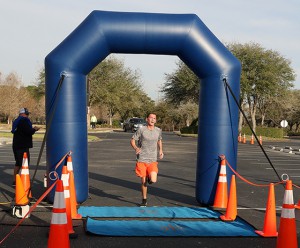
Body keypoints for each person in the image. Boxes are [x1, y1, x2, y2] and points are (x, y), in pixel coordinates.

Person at [130, 113, 164, 207]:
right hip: (142, 158)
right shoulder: (142, 130)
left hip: (152, 158)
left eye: (154, 118)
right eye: (151, 118)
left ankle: (150, 177)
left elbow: (159, 140)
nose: (153, 120)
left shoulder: (158, 130)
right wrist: (136, 148)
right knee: (143, 181)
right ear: (147, 119)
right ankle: (144, 200)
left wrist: (161, 150)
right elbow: (132, 140)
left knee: (153, 179)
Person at [11, 108, 40, 186]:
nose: (27, 115)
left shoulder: (16, 121)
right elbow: (28, 131)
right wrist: (34, 129)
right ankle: (22, 180)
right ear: (23, 114)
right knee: (24, 163)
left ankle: (15, 180)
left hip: (16, 144)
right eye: (27, 114)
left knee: (18, 163)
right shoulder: (24, 121)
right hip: (23, 145)